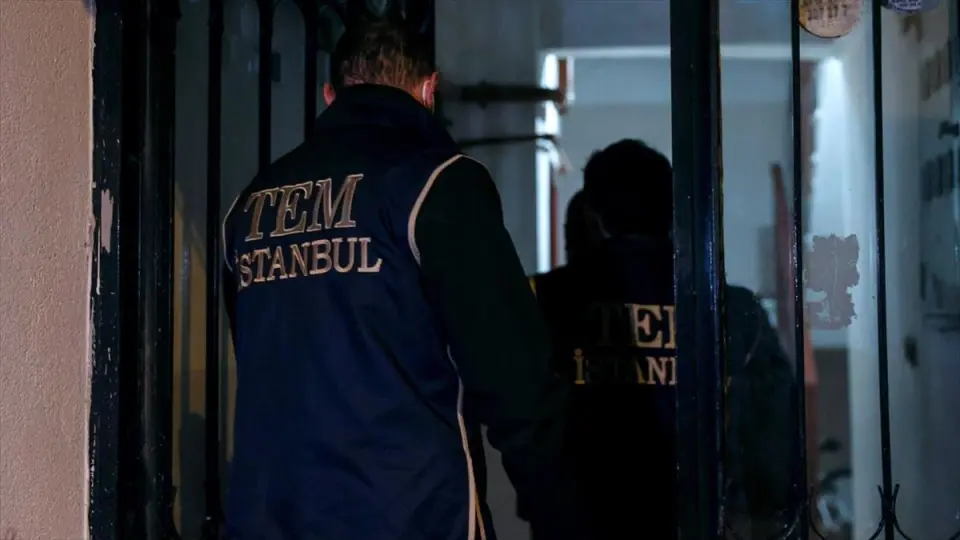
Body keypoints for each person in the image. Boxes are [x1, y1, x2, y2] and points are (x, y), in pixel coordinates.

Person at [220, 20, 583, 540]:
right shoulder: (436, 184)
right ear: (429, 90)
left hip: (271, 517)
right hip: (408, 515)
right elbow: (512, 375)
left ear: (330, 96)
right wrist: (558, 510)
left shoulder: (249, 208)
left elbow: (260, 358)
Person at [525, 139, 797, 539]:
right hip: (697, 517)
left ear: (594, 213)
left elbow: (520, 412)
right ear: (673, 209)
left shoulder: (545, 299)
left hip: (584, 518)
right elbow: (771, 424)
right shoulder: (732, 309)